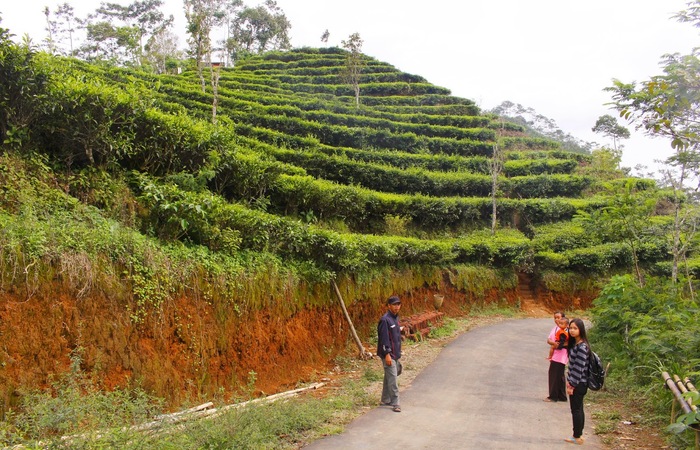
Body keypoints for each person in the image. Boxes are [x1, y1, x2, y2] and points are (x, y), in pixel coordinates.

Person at [565, 318, 590, 445]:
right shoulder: (576, 344)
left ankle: (577, 436)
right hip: (579, 383)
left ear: (581, 330)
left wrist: (571, 385)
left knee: (576, 409)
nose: (572, 331)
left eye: (575, 328)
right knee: (579, 408)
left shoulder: (582, 347)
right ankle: (578, 435)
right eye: (570, 328)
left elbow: (578, 368)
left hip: (578, 383)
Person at [376, 295, 402, 412]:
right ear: (389, 306)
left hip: (395, 354)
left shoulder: (395, 318)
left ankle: (385, 399)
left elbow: (396, 338)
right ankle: (395, 403)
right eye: (394, 305)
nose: (397, 307)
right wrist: (387, 354)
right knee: (393, 378)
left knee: (389, 376)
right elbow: (384, 339)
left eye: (398, 304)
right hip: (388, 354)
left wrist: (398, 353)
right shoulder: (385, 320)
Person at [545, 311, 569, 402]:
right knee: (559, 375)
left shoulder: (566, 330)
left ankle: (553, 396)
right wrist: (553, 343)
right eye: (555, 317)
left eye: (559, 317)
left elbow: (566, 343)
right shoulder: (555, 328)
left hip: (561, 355)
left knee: (554, 374)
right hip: (556, 354)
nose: (557, 320)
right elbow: (549, 340)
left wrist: (558, 345)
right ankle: (562, 396)